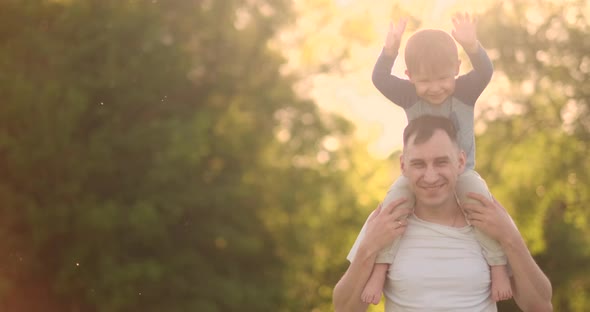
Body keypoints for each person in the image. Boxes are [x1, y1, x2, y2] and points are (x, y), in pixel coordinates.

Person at [332, 115, 553, 311]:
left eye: (441, 162)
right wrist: (368, 247)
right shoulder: (384, 222)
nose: (430, 176)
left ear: (460, 162)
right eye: (419, 164)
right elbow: (345, 308)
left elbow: (540, 306)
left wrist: (510, 237)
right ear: (403, 166)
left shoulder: (491, 220)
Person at [363, 13, 511, 304]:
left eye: (444, 78)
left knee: (482, 204)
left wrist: (472, 45)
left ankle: (498, 268)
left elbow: (485, 72)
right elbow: (379, 79)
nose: (435, 88)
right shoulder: (409, 97)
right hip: (417, 175)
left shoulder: (465, 91)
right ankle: (380, 269)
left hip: (463, 172)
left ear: (456, 69)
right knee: (394, 205)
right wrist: (389, 50)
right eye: (424, 81)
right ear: (409, 77)